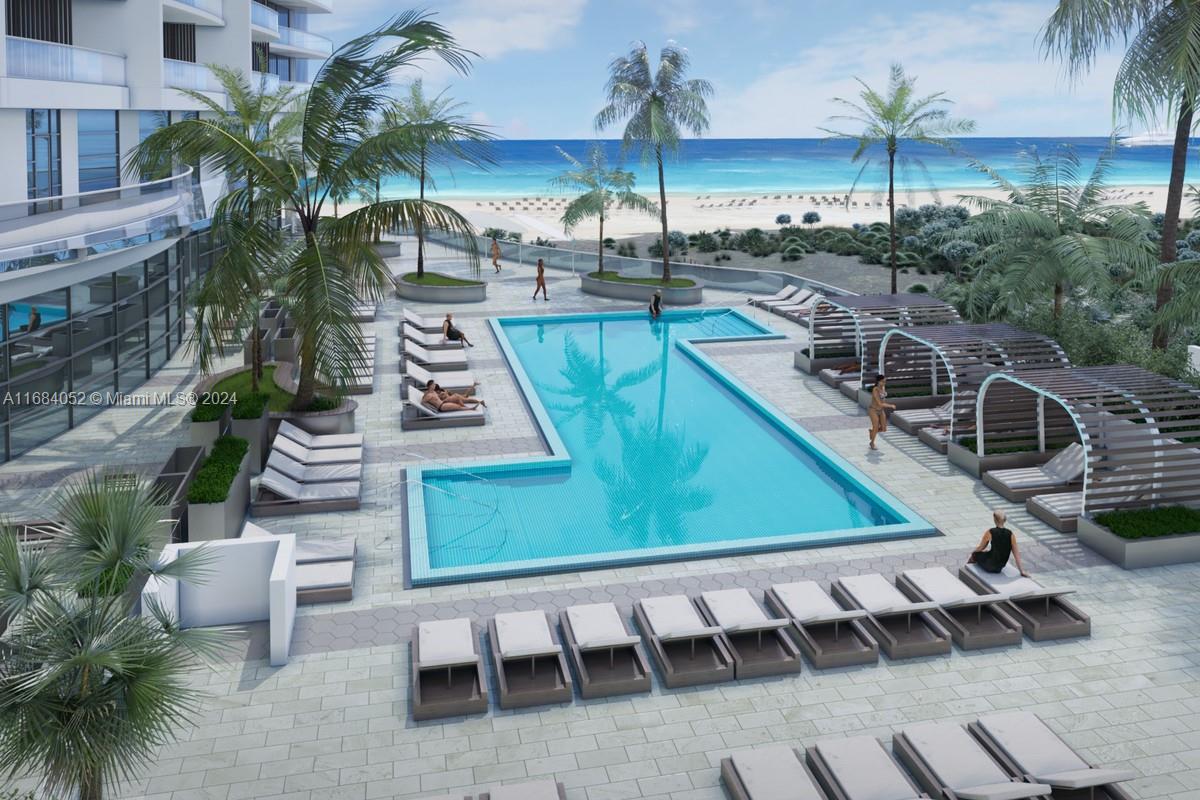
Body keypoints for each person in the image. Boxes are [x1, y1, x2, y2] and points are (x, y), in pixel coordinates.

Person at [969, 510, 1029, 576]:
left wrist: (973, 553)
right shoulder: (1011, 534)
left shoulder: (990, 532)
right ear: (1005, 520)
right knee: (987, 552)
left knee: (976, 554)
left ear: (994, 519)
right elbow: (1016, 555)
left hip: (989, 565)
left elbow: (981, 547)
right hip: (999, 567)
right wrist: (1021, 571)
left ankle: (969, 565)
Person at [868, 373, 896, 450]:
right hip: (873, 410)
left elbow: (883, 400)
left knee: (884, 429)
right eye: (883, 381)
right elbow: (880, 403)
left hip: (881, 411)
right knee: (876, 427)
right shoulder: (875, 390)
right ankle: (872, 443)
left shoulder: (883, 388)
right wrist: (890, 406)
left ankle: (872, 432)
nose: (884, 383)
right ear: (878, 381)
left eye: (885, 381)